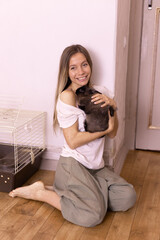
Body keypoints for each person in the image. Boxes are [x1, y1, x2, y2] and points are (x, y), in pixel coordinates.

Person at [9, 44, 136, 227]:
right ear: (66, 72)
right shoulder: (67, 97)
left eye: (84, 65)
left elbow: (113, 133)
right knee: (93, 216)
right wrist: (104, 131)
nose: (81, 72)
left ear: (90, 65)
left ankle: (76, 192)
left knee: (127, 197)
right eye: (73, 67)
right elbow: (73, 141)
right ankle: (41, 193)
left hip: (96, 167)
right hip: (74, 165)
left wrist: (113, 106)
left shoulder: (102, 92)